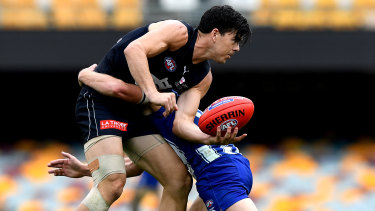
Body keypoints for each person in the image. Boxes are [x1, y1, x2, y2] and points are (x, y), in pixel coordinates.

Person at [73, 5, 251, 211]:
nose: (237, 48)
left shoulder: (203, 76)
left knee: (179, 181)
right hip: (102, 102)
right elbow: (134, 50)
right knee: (112, 184)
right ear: (215, 34)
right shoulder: (179, 32)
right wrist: (152, 92)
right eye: (235, 39)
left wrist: (209, 138)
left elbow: (182, 124)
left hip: (137, 114)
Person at [49, 69, 258, 210]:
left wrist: (85, 75)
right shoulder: (173, 106)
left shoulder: (156, 103)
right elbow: (141, 166)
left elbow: (117, 88)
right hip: (233, 165)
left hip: (217, 174)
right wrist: (86, 169)